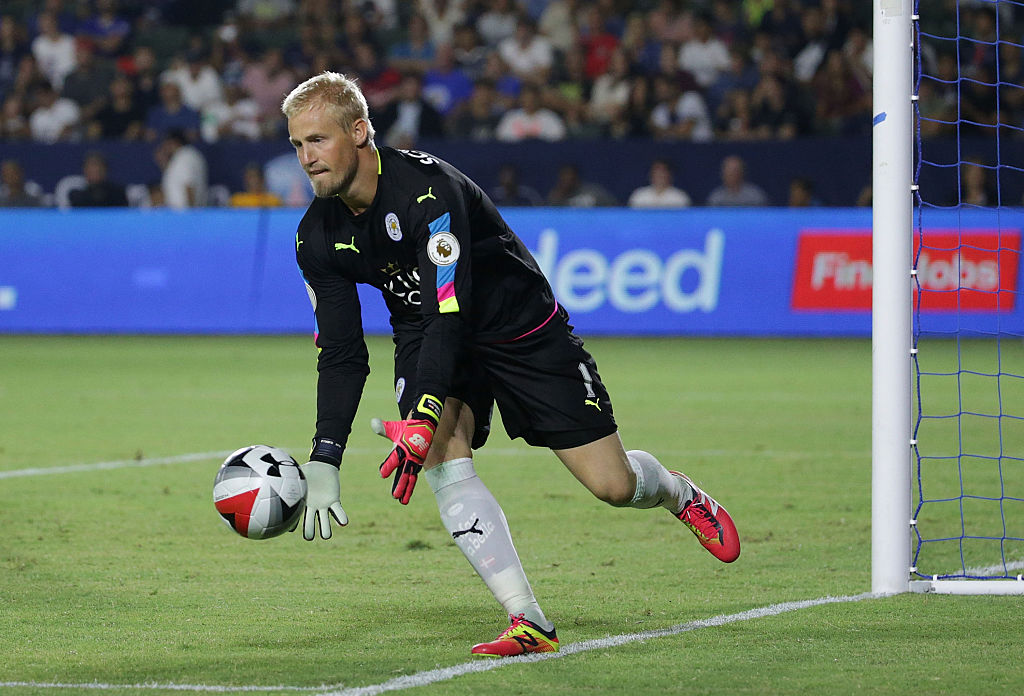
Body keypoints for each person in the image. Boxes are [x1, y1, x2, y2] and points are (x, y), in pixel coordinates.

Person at [281, 72, 740, 658]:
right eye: (297, 144)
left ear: (359, 131)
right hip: (427, 332)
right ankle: (529, 621)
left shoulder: (429, 193)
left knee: (613, 485)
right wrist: (326, 455)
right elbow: (342, 351)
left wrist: (423, 409)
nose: (307, 158)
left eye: (318, 140)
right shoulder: (316, 236)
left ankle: (678, 493)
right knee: (440, 453)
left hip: (519, 330)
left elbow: (450, 309)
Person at [627, 159, 692, 208]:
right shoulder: (639, 195)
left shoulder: (680, 197)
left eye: (663, 173)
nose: (660, 176)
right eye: (657, 173)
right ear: (651, 175)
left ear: (669, 175)